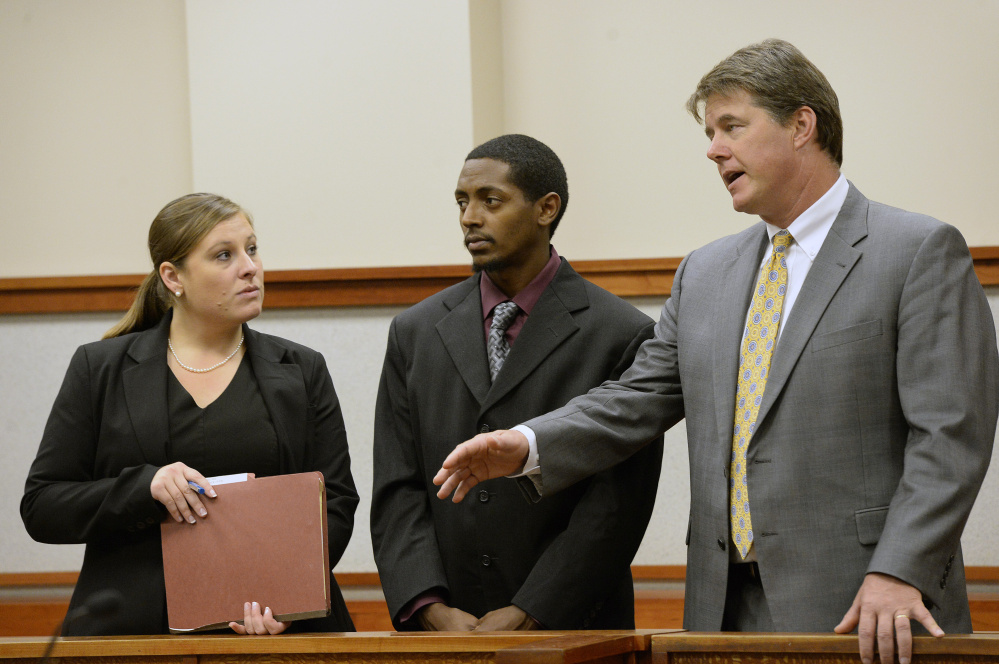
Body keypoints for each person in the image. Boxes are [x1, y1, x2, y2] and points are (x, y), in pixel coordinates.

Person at [434, 40, 999, 664]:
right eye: (709, 132)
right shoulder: (705, 273)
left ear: (801, 125)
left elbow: (950, 435)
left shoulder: (916, 251)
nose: (713, 149)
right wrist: (530, 444)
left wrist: (901, 569)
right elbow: (638, 394)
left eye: (732, 126)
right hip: (722, 610)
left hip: (869, 606)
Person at [21, 193, 358, 636]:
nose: (249, 267)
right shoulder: (100, 368)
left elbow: (334, 502)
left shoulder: (301, 368)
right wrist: (144, 487)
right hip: (137, 631)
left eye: (252, 249)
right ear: (173, 276)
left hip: (273, 628)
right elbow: (43, 505)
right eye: (224, 255)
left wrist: (288, 598)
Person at [370, 134, 663, 631]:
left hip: (574, 626)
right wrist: (429, 607)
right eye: (462, 202)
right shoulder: (414, 332)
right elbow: (398, 488)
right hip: (446, 629)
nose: (469, 217)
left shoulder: (620, 332)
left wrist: (533, 611)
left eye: (491, 200)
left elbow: (617, 506)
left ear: (546, 208)